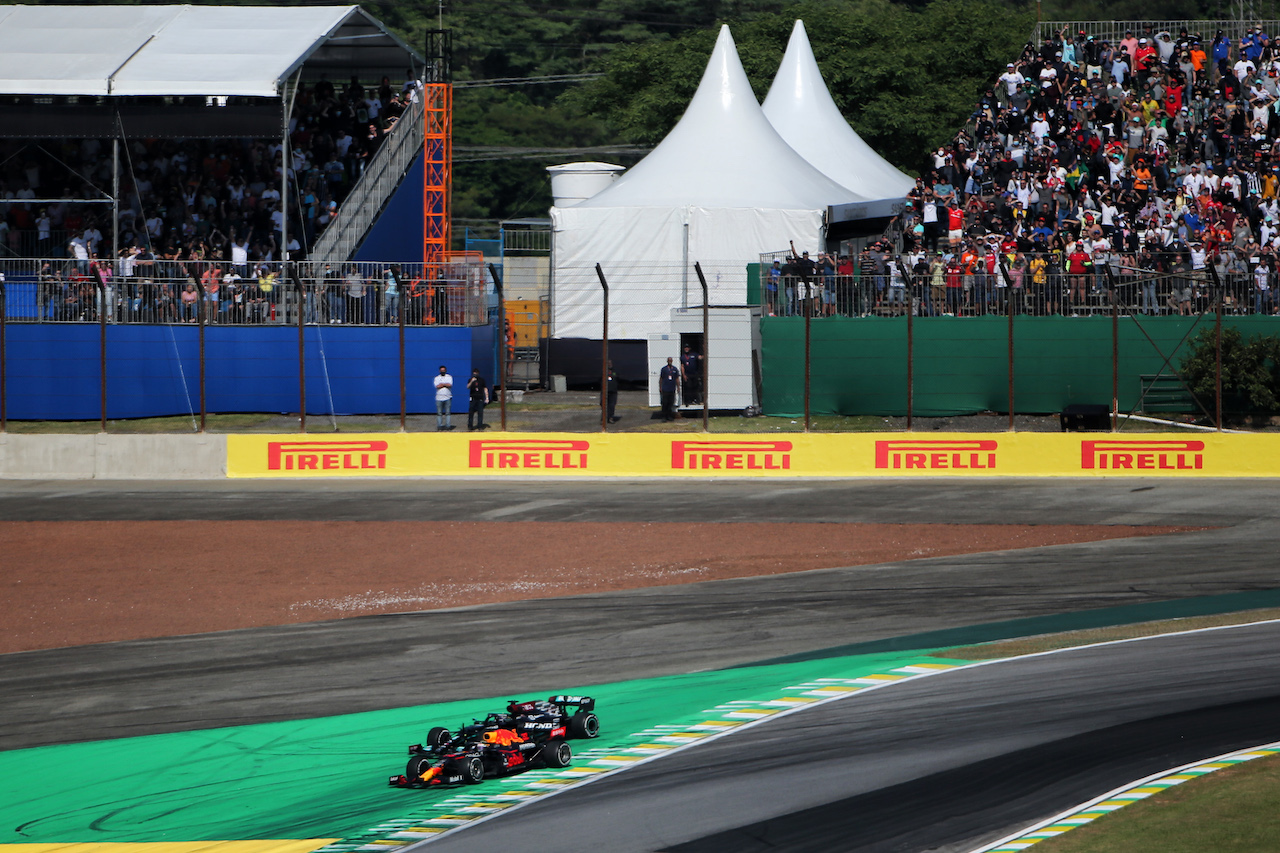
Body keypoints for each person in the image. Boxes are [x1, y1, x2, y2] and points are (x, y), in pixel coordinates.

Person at [659, 357, 680, 421]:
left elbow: (677, 379)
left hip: (672, 389)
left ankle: (669, 416)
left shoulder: (675, 369)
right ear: (667, 361)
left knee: (670, 403)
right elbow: (661, 379)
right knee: (665, 403)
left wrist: (678, 387)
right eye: (669, 360)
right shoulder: (664, 369)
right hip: (665, 389)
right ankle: (664, 417)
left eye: (671, 360)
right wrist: (660, 387)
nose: (670, 361)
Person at [434, 364, 453, 430]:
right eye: (441, 370)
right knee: (439, 413)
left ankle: (448, 426)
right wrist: (445, 384)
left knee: (447, 413)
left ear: (445, 371)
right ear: (439, 371)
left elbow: (450, 384)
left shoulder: (449, 377)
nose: (443, 371)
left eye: (444, 370)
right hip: (439, 398)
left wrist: (442, 384)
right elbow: (437, 386)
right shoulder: (437, 378)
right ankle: (439, 426)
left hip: (448, 397)